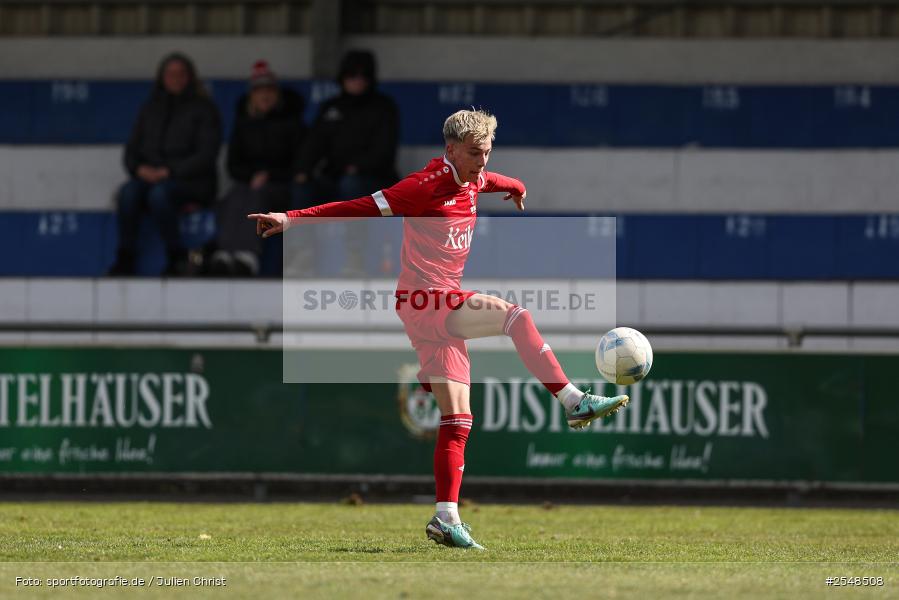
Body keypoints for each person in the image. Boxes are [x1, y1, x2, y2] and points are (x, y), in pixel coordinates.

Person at [248, 110, 629, 550]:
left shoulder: (474, 178)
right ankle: (574, 400)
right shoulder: (422, 187)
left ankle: (445, 518)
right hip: (425, 300)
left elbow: (497, 181)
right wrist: (291, 219)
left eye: (486, 152)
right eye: (474, 153)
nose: (482, 162)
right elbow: (358, 208)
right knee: (516, 317)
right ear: (450, 149)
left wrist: (518, 187)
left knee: (459, 418)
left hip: (435, 308)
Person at [109, 52, 222, 276]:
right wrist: (139, 168)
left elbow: (207, 154)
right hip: (152, 178)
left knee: (159, 195)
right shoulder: (150, 108)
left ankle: (176, 256)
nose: (176, 78)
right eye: (170, 74)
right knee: (128, 193)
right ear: (162, 77)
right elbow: (131, 151)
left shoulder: (205, 108)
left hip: (192, 181)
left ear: (190, 77)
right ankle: (125, 257)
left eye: (181, 74)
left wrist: (169, 171)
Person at [210, 61, 305, 276]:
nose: (264, 96)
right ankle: (225, 255)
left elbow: (299, 164)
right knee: (233, 196)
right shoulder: (244, 124)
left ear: (277, 94)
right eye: (259, 91)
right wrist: (252, 176)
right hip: (249, 184)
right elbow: (233, 164)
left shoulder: (292, 123)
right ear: (251, 95)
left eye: (269, 91)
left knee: (255, 196)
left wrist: (269, 175)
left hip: (281, 187)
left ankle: (247, 256)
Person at [292, 49, 399, 208]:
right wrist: (303, 170)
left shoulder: (384, 107)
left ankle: (351, 233)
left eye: (364, 76)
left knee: (350, 184)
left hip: (374, 178)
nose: (358, 80)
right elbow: (314, 143)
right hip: (334, 175)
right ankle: (300, 233)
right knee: (303, 187)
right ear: (343, 77)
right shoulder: (331, 107)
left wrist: (357, 167)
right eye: (352, 75)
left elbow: (384, 151)